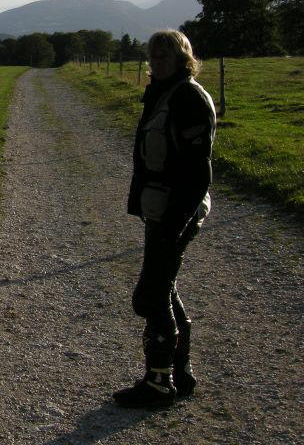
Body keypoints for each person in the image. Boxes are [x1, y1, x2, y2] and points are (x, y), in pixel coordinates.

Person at [113, 29, 216, 408]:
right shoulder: (163, 92)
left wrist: (175, 222)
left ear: (181, 59)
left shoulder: (188, 97)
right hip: (161, 208)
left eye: (164, 57)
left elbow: (199, 172)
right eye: (153, 57)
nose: (156, 63)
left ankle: (159, 383)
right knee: (164, 287)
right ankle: (180, 372)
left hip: (177, 210)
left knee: (150, 296)